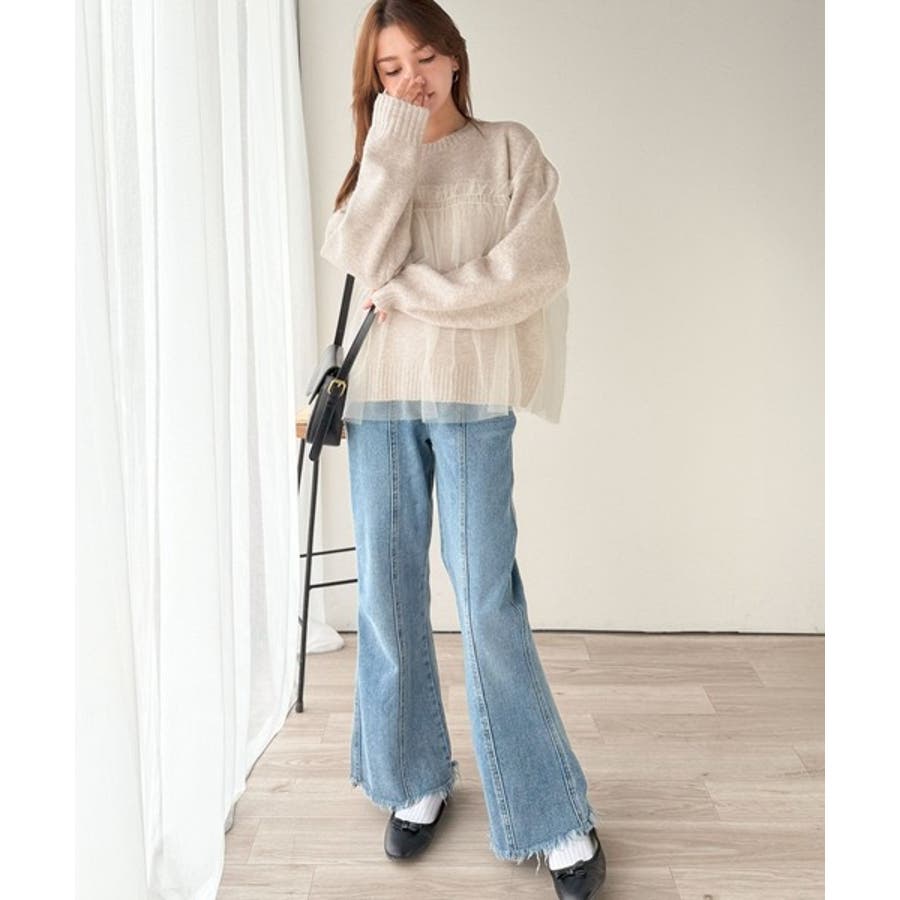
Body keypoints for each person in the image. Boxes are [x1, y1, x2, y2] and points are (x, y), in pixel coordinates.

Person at [319, 2, 606, 896]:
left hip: (474, 398)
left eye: (424, 58)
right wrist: (393, 142)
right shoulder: (381, 158)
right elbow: (358, 257)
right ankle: (413, 780)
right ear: (375, 82)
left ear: (455, 57)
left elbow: (534, 273)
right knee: (387, 593)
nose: (411, 78)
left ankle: (552, 814)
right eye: (390, 68)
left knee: (486, 601)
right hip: (380, 402)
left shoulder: (510, 150)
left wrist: (414, 292)